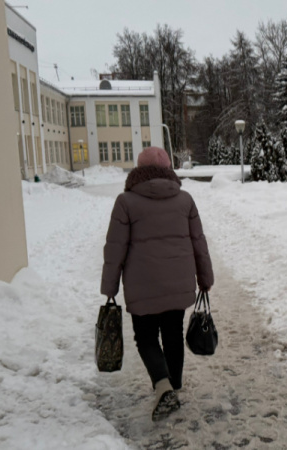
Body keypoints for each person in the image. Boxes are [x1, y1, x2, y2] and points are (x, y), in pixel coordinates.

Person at [101, 147, 214, 422]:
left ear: (139, 171)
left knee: (146, 338)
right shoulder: (185, 200)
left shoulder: (125, 201)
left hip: (142, 286)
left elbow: (114, 249)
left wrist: (110, 287)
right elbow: (199, 242)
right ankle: (173, 384)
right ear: (168, 170)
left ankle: (163, 387)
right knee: (173, 334)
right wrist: (205, 278)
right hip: (178, 283)